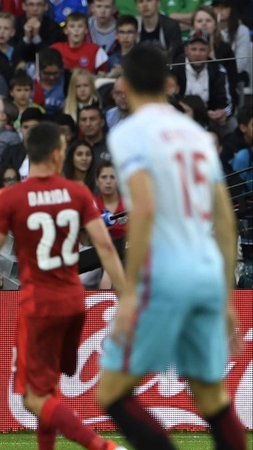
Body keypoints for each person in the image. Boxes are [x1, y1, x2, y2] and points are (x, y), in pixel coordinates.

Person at [97, 44, 248, 450]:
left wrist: (129, 293)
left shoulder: (128, 133)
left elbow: (143, 208)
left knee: (110, 392)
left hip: (166, 277)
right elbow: (225, 219)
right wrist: (225, 294)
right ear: (168, 82)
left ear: (123, 85)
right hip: (204, 275)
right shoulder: (196, 133)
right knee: (212, 396)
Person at [0, 122, 125, 450]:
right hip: (73, 301)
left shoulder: (10, 196)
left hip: (39, 305)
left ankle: (104, 448)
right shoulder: (78, 193)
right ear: (57, 154)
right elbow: (107, 249)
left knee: (33, 399)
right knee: (48, 390)